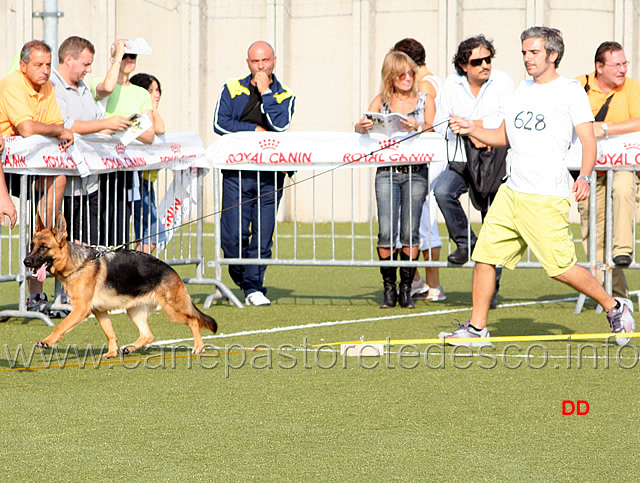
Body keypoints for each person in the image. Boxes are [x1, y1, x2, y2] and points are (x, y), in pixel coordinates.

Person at [441, 26, 635, 346]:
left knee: (560, 268)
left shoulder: (570, 90)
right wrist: (469, 129)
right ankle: (477, 329)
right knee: (486, 257)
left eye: (533, 52)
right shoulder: (519, 90)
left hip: (546, 196)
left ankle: (614, 306)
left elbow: (588, 141)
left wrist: (584, 176)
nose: (527, 58)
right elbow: (503, 136)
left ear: (552, 55)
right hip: (512, 191)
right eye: (524, 52)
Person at [213, 40, 295, 306]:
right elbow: (220, 123)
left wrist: (266, 92)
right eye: (255, 61)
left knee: (263, 233)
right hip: (237, 173)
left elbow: (279, 125)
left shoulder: (285, 95)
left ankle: (253, 288)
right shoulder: (231, 87)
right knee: (233, 235)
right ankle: (241, 275)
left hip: (270, 175)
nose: (260, 66)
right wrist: (253, 131)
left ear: (274, 60)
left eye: (265, 61)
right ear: (247, 63)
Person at [354, 51, 436, 309]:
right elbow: (364, 123)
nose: (408, 78)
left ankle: (406, 289)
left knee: (410, 231)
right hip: (387, 172)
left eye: (411, 73)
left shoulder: (425, 100)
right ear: (391, 77)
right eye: (402, 74)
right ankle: (389, 288)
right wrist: (361, 127)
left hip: (416, 171)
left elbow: (434, 129)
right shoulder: (382, 100)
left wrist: (418, 126)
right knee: (387, 231)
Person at [0, 40, 74, 312]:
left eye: (47, 65)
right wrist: (57, 132)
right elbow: (29, 128)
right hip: (8, 165)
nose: (45, 70)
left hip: (24, 166)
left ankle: (36, 288)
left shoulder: (48, 86)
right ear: (23, 66)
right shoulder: (11, 83)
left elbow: (57, 125)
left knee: (58, 178)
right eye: (38, 65)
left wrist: (57, 131)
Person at [434, 35, 513, 266]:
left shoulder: (503, 81)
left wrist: (470, 127)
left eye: (488, 59)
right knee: (443, 191)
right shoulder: (450, 84)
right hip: (461, 159)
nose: (485, 65)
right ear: (463, 65)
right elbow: (440, 124)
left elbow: (505, 121)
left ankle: (492, 289)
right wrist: (473, 128)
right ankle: (465, 242)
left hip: (495, 160)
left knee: (492, 221)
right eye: (477, 62)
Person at [51, 35, 132, 246]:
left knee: (88, 250)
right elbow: (65, 125)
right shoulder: (52, 85)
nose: (89, 70)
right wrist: (108, 123)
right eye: (86, 64)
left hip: (89, 185)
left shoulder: (83, 87)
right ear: (69, 59)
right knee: (57, 251)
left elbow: (97, 122)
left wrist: (120, 129)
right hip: (64, 186)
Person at [576, 41, 640, 299]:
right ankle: (615, 295)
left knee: (623, 185)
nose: (623, 70)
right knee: (593, 230)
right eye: (616, 65)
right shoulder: (578, 86)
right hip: (589, 171)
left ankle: (623, 250)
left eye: (625, 64)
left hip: (622, 164)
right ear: (599, 67)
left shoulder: (632, 87)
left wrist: (604, 128)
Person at [393, 38, 446, 302]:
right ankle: (427, 283)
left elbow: (429, 124)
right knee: (424, 217)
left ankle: (424, 282)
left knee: (415, 216)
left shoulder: (425, 86)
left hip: (428, 156)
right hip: (432, 155)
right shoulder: (435, 80)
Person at [91, 39, 155, 247]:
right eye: (123, 56)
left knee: (118, 225)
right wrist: (116, 57)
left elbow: (149, 134)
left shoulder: (141, 93)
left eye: (132, 56)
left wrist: (124, 126)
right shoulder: (97, 81)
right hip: (98, 164)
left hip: (124, 168)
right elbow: (107, 88)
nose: (128, 59)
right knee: (95, 223)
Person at [130, 72, 167, 253]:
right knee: (153, 234)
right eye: (151, 90)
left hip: (146, 181)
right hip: (135, 180)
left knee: (148, 235)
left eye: (158, 90)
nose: (157, 94)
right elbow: (159, 128)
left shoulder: (151, 114)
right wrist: (153, 109)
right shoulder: (138, 114)